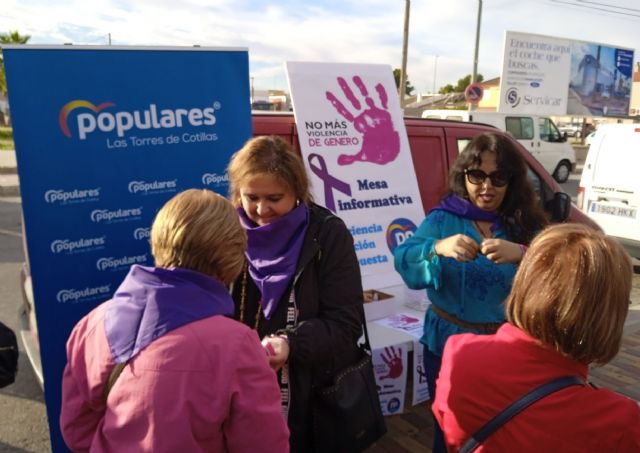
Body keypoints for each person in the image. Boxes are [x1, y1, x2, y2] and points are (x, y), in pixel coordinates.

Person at [60, 189, 289, 453]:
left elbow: (76, 430)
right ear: (231, 256)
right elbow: (263, 445)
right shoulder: (236, 345)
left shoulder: (92, 324)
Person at [393, 132, 547, 453]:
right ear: (464, 176)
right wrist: (437, 247)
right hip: (448, 346)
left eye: (498, 177)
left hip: (506, 347)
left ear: (512, 181)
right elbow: (404, 259)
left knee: (501, 429)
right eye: (477, 176)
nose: (486, 187)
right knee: (449, 431)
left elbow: (559, 266)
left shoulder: (525, 222)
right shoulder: (443, 219)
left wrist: (522, 252)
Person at [433, 223, 640, 451]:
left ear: (525, 285)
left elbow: (448, 426)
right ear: (605, 314)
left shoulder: (459, 354)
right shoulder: (618, 422)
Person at [227, 135, 365, 452]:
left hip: (307, 397)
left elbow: (346, 324)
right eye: (251, 197)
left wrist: (291, 343)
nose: (262, 210)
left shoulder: (328, 234)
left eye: (274, 197)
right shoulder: (226, 231)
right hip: (239, 389)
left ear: (297, 193)